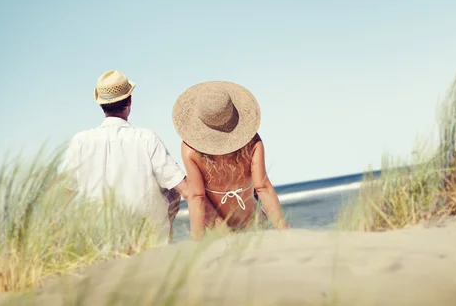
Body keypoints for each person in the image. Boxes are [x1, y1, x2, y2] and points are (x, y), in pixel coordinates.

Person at [61, 70, 223, 242]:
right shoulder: (146, 138)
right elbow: (188, 191)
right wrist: (222, 228)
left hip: (98, 241)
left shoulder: (80, 141)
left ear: (101, 105)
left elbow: (62, 196)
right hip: (147, 239)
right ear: (130, 100)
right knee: (171, 189)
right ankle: (166, 239)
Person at [172, 80, 288, 240]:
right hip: (254, 224)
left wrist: (197, 241)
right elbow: (263, 188)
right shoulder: (252, 142)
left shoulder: (190, 150)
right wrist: (285, 231)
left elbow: (197, 197)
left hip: (220, 232)